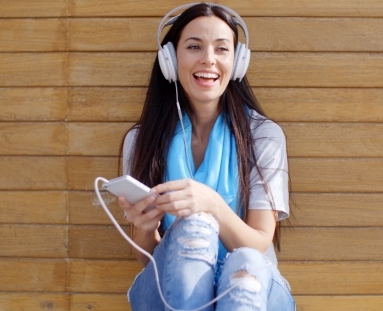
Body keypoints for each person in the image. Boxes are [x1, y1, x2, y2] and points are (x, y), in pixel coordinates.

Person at [118, 2, 295, 310]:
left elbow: (257, 245)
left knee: (242, 268)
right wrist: (145, 229)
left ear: (238, 62)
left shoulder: (264, 136)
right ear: (170, 60)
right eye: (194, 46)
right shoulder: (140, 140)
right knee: (190, 230)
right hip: (172, 286)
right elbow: (146, 256)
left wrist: (211, 205)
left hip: (252, 285)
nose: (209, 60)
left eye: (222, 49)